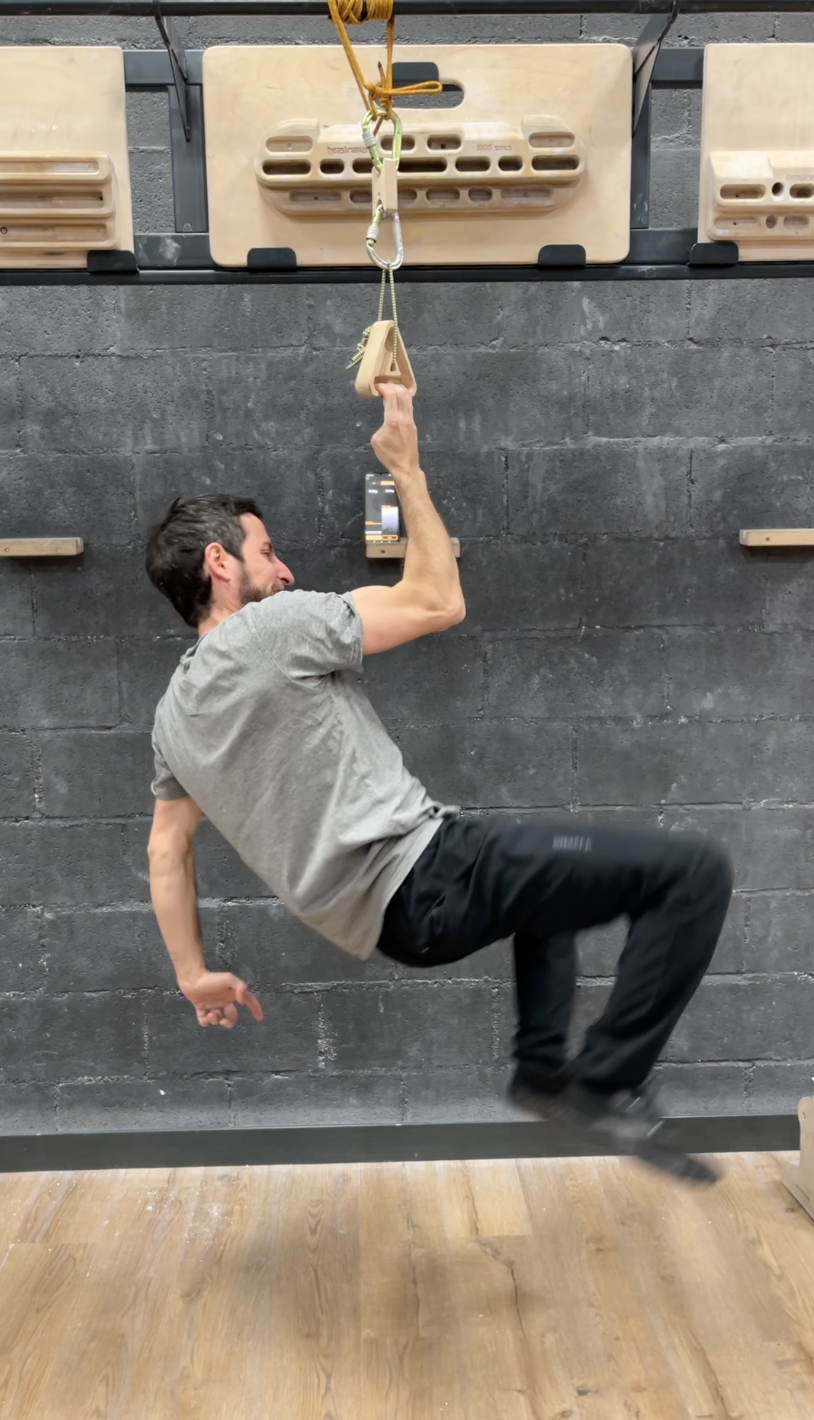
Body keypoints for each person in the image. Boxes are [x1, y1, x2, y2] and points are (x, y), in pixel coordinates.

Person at [145, 383, 732, 1186]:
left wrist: (192, 974)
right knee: (693, 873)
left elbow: (166, 850)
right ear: (219, 563)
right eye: (268, 551)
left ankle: (540, 1071)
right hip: (427, 873)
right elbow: (438, 601)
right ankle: (607, 1081)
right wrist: (407, 467)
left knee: (546, 886)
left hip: (395, 925)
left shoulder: (171, 717)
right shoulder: (270, 629)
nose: (284, 570)